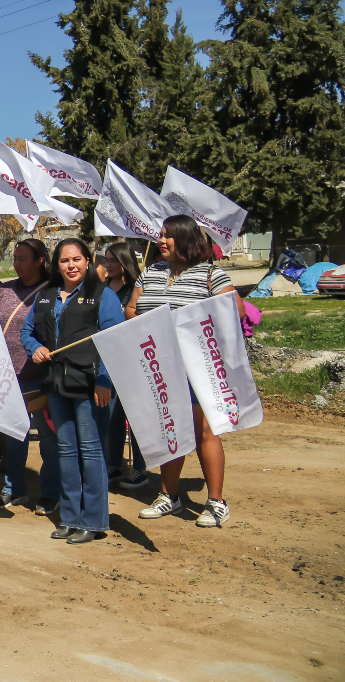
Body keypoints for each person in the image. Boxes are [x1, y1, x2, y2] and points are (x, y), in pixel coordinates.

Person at [127, 215, 242, 527]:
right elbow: (132, 308)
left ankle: (217, 502)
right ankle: (169, 496)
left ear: (187, 238)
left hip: (198, 367)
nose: (161, 241)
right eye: (161, 236)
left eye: (169, 236)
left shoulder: (210, 274)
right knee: (170, 430)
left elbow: (235, 311)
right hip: (159, 366)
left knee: (205, 430)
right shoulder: (150, 273)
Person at [21, 238, 124, 545]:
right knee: (66, 451)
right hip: (56, 385)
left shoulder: (102, 296)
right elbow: (27, 331)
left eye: (77, 259)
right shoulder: (46, 295)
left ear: (88, 261)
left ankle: (93, 521)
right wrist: (35, 347)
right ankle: (69, 517)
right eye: (65, 261)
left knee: (91, 452)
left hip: (91, 387)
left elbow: (114, 340)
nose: (71, 265)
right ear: (56, 264)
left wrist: (105, 380)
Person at [0, 238, 61, 515]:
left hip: (39, 377)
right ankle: (14, 488)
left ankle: (51, 492)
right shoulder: (3, 291)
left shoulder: (52, 292)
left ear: (40, 261)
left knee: (47, 437)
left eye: (22, 258)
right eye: (15, 258)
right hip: (8, 377)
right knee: (12, 435)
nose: (17, 263)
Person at [99, 242, 148, 490]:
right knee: (112, 414)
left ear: (124, 261)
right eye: (105, 260)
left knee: (134, 415)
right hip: (108, 358)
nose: (107, 265)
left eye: (112, 260)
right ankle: (114, 463)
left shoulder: (135, 289)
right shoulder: (104, 289)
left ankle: (140, 466)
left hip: (133, 357)